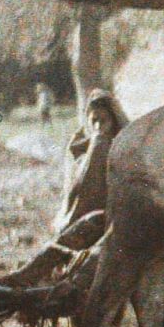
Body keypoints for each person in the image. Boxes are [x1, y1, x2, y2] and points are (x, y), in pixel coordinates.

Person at [55, 88, 127, 237]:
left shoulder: (123, 143)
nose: (98, 127)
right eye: (94, 121)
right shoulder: (79, 146)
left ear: (113, 121)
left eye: (103, 121)